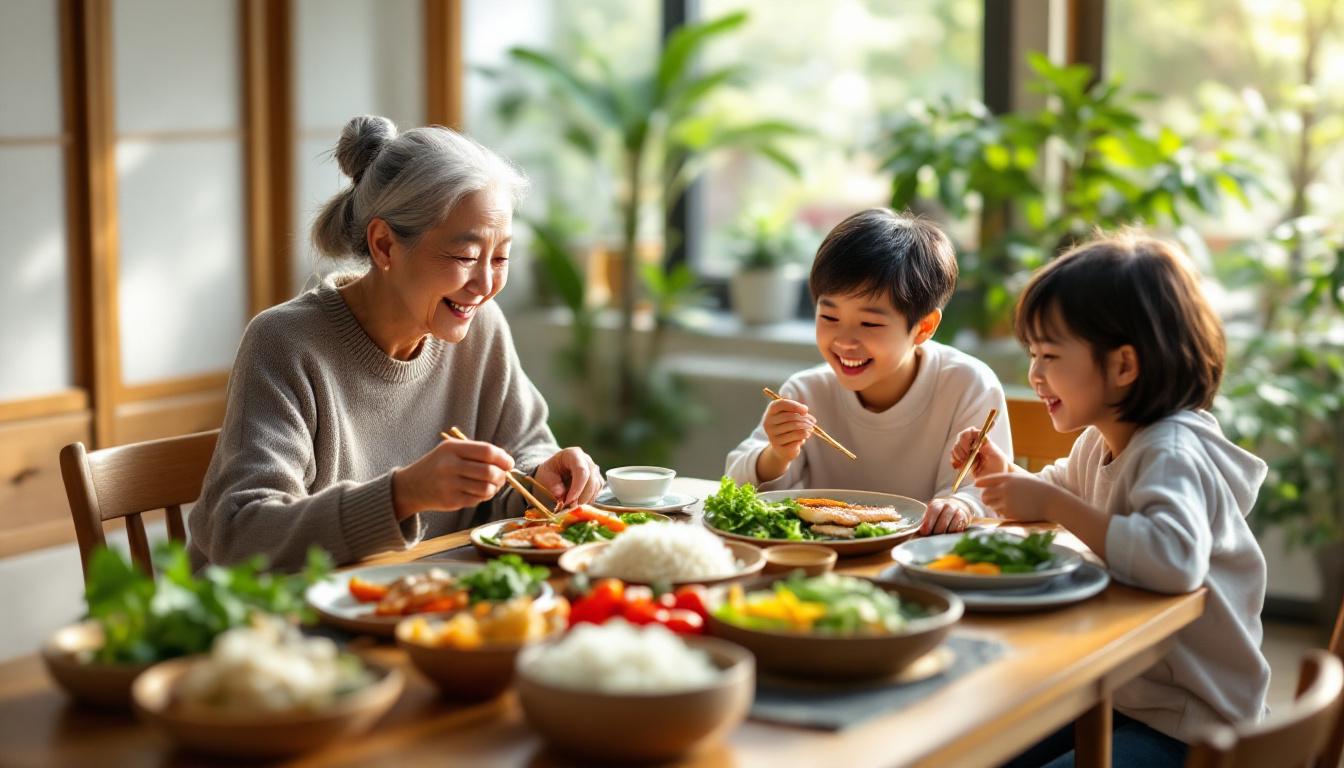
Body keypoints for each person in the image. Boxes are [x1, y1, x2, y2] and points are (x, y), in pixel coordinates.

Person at [190, 116, 601, 570]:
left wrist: (545, 477)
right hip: (279, 608)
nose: (485, 284)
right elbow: (242, 533)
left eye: (500, 257)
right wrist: (402, 495)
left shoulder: (480, 329)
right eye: (465, 256)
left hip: (420, 592)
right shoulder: (285, 343)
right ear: (385, 245)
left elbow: (525, 448)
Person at [952, 233, 1269, 767]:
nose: (1034, 374)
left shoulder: (1171, 451)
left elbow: (1172, 562)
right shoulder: (1100, 440)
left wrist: (1051, 505)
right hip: (1126, 695)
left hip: (1194, 724)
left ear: (1124, 366)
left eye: (1050, 355)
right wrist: (1002, 474)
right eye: (1033, 354)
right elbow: (1054, 493)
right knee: (982, 749)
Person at [724, 209, 1012, 534]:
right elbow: (736, 482)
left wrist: (961, 505)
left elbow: (985, 491)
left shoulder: (967, 385)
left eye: (869, 323)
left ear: (924, 327)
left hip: (923, 556)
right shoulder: (805, 392)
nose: (844, 341)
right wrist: (776, 455)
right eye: (829, 317)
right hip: (824, 558)